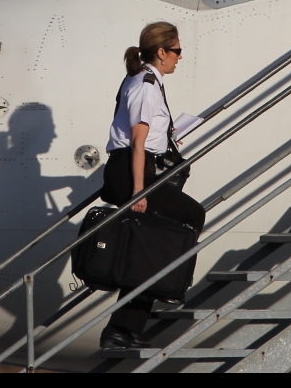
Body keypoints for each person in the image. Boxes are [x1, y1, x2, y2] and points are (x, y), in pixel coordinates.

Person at [98, 21, 206, 350]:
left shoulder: (145, 80)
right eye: (176, 51)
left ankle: (126, 326)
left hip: (133, 167)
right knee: (191, 215)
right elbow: (138, 142)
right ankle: (166, 287)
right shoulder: (146, 84)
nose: (179, 57)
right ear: (161, 52)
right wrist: (139, 191)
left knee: (155, 240)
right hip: (133, 169)